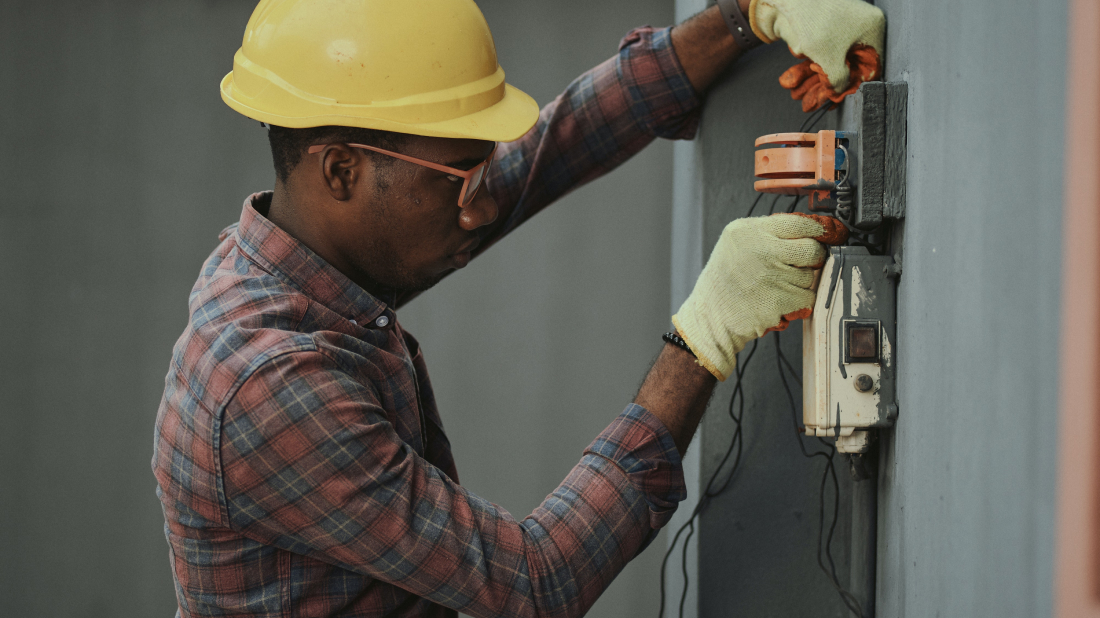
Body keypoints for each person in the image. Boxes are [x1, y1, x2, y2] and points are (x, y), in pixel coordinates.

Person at [151, 0, 884, 616]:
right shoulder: (272, 384)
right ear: (342, 169)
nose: (476, 210)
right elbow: (533, 582)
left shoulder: (297, 257)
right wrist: (701, 339)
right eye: (457, 180)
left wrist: (744, 16)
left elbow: (553, 146)